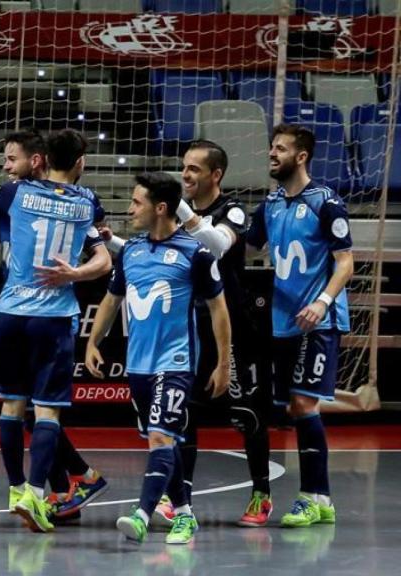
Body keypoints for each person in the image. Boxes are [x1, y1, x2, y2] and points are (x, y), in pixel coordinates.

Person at [97, 140, 274, 527]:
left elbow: (212, 245)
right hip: (187, 329)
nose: (186, 174)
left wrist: (175, 202)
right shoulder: (171, 217)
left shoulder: (233, 211)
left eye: (194, 169)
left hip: (230, 327)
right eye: (183, 168)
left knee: (247, 415)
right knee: (180, 417)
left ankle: (261, 491)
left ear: (216, 175)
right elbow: (159, 252)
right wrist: (111, 241)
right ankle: (180, 500)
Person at [0, 129, 112, 532]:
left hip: (11, 313)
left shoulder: (14, 194)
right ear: (80, 162)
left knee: (11, 406)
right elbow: (104, 256)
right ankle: (35, 493)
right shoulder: (88, 202)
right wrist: (75, 273)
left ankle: (15, 490)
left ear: (41, 159)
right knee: (46, 411)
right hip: (56, 317)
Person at [86, 172, 231, 544]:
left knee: (159, 437)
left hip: (176, 362)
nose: (130, 208)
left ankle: (141, 515)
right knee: (166, 440)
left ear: (160, 208)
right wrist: (92, 341)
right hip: (139, 366)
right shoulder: (132, 250)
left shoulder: (195, 254)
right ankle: (185, 515)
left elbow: (218, 310)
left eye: (137, 202)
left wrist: (223, 363)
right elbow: (111, 299)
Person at [245, 124, 353, 528]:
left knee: (305, 404)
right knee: (292, 407)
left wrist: (322, 303)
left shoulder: (327, 203)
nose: (272, 154)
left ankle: (309, 497)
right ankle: (323, 498)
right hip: (281, 321)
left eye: (281, 149)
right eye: (271, 147)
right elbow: (246, 245)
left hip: (318, 321)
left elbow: (346, 262)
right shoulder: (271, 203)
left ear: (301, 156)